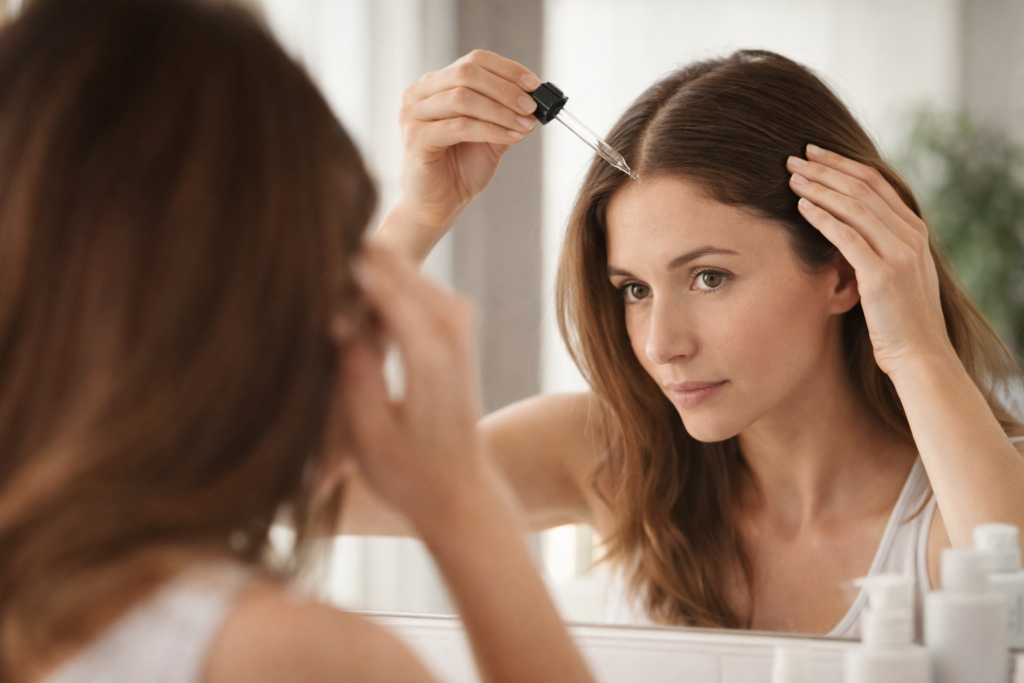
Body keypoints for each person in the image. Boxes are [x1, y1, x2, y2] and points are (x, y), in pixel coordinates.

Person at [0, 2, 596, 683]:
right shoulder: (289, 656)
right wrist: (461, 500)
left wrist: (419, 215)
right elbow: (315, 485)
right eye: (332, 258)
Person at [361, 48, 1024, 636]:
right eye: (634, 289)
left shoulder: (974, 490)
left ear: (845, 270)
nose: (660, 344)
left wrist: (917, 350)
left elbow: (1013, 583)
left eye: (710, 277)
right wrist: (415, 219)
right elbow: (296, 483)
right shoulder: (613, 457)